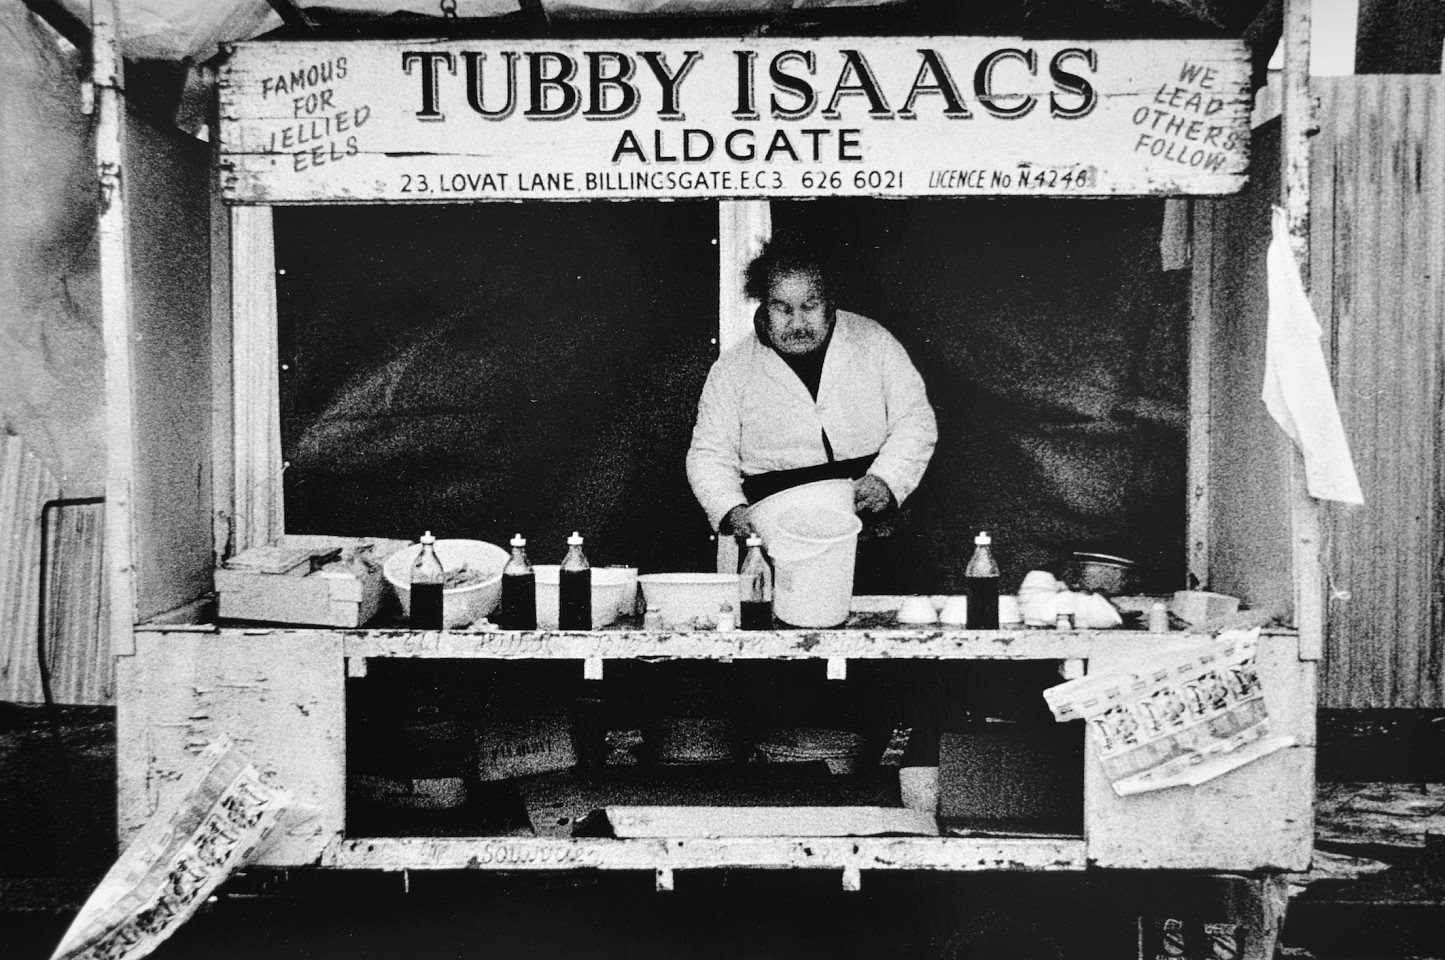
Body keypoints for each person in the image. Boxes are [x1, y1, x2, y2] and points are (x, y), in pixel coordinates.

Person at [686, 233, 937, 541]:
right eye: (782, 308)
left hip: (873, 524)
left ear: (828, 303)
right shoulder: (731, 370)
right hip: (776, 529)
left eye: (809, 306)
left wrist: (886, 479)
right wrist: (733, 510)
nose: (797, 323)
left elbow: (915, 420)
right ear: (763, 305)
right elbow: (708, 454)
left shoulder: (875, 342)